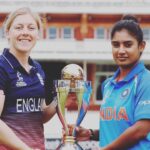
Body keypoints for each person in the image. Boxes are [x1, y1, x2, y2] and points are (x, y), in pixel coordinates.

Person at [74, 15, 150, 150]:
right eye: (116, 45)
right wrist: (91, 133)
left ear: (141, 46)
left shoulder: (146, 80)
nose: (121, 51)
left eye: (128, 44)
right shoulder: (108, 84)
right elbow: (117, 128)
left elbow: (141, 129)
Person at [0, 7, 57, 150]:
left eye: (31, 28)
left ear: (38, 34)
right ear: (7, 32)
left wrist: (60, 100)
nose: (25, 32)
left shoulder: (37, 68)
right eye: (19, 27)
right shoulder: (2, 66)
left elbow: (40, 116)